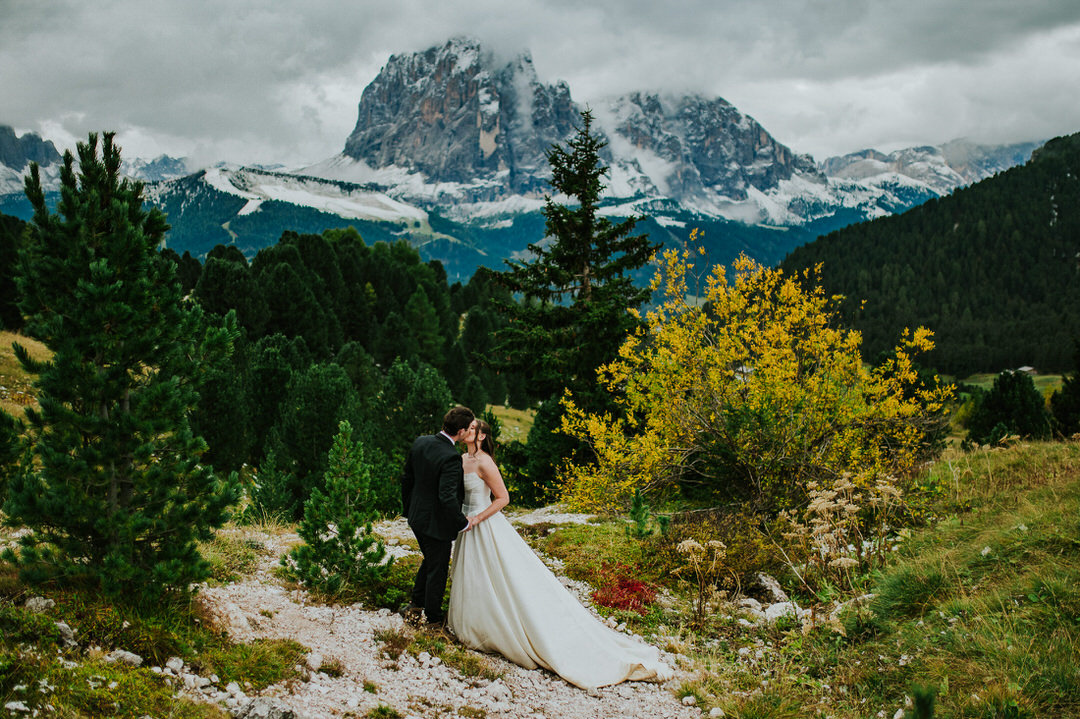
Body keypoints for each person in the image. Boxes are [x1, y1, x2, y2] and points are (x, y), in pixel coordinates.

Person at [447, 419, 673, 690]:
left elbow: (503, 498)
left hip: (483, 524)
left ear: (482, 436)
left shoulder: (485, 461)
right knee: (473, 576)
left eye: (474, 428)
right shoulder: (461, 459)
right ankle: (473, 624)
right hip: (466, 526)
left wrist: (478, 518)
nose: (469, 430)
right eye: (467, 427)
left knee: (502, 577)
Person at [400, 405, 477, 626]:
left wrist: (409, 510)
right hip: (436, 524)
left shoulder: (421, 442)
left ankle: (415, 604)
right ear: (461, 431)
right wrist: (461, 523)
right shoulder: (451, 457)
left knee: (431, 560)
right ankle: (433, 620)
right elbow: (447, 497)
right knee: (438, 567)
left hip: (416, 517)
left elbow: (407, 479)